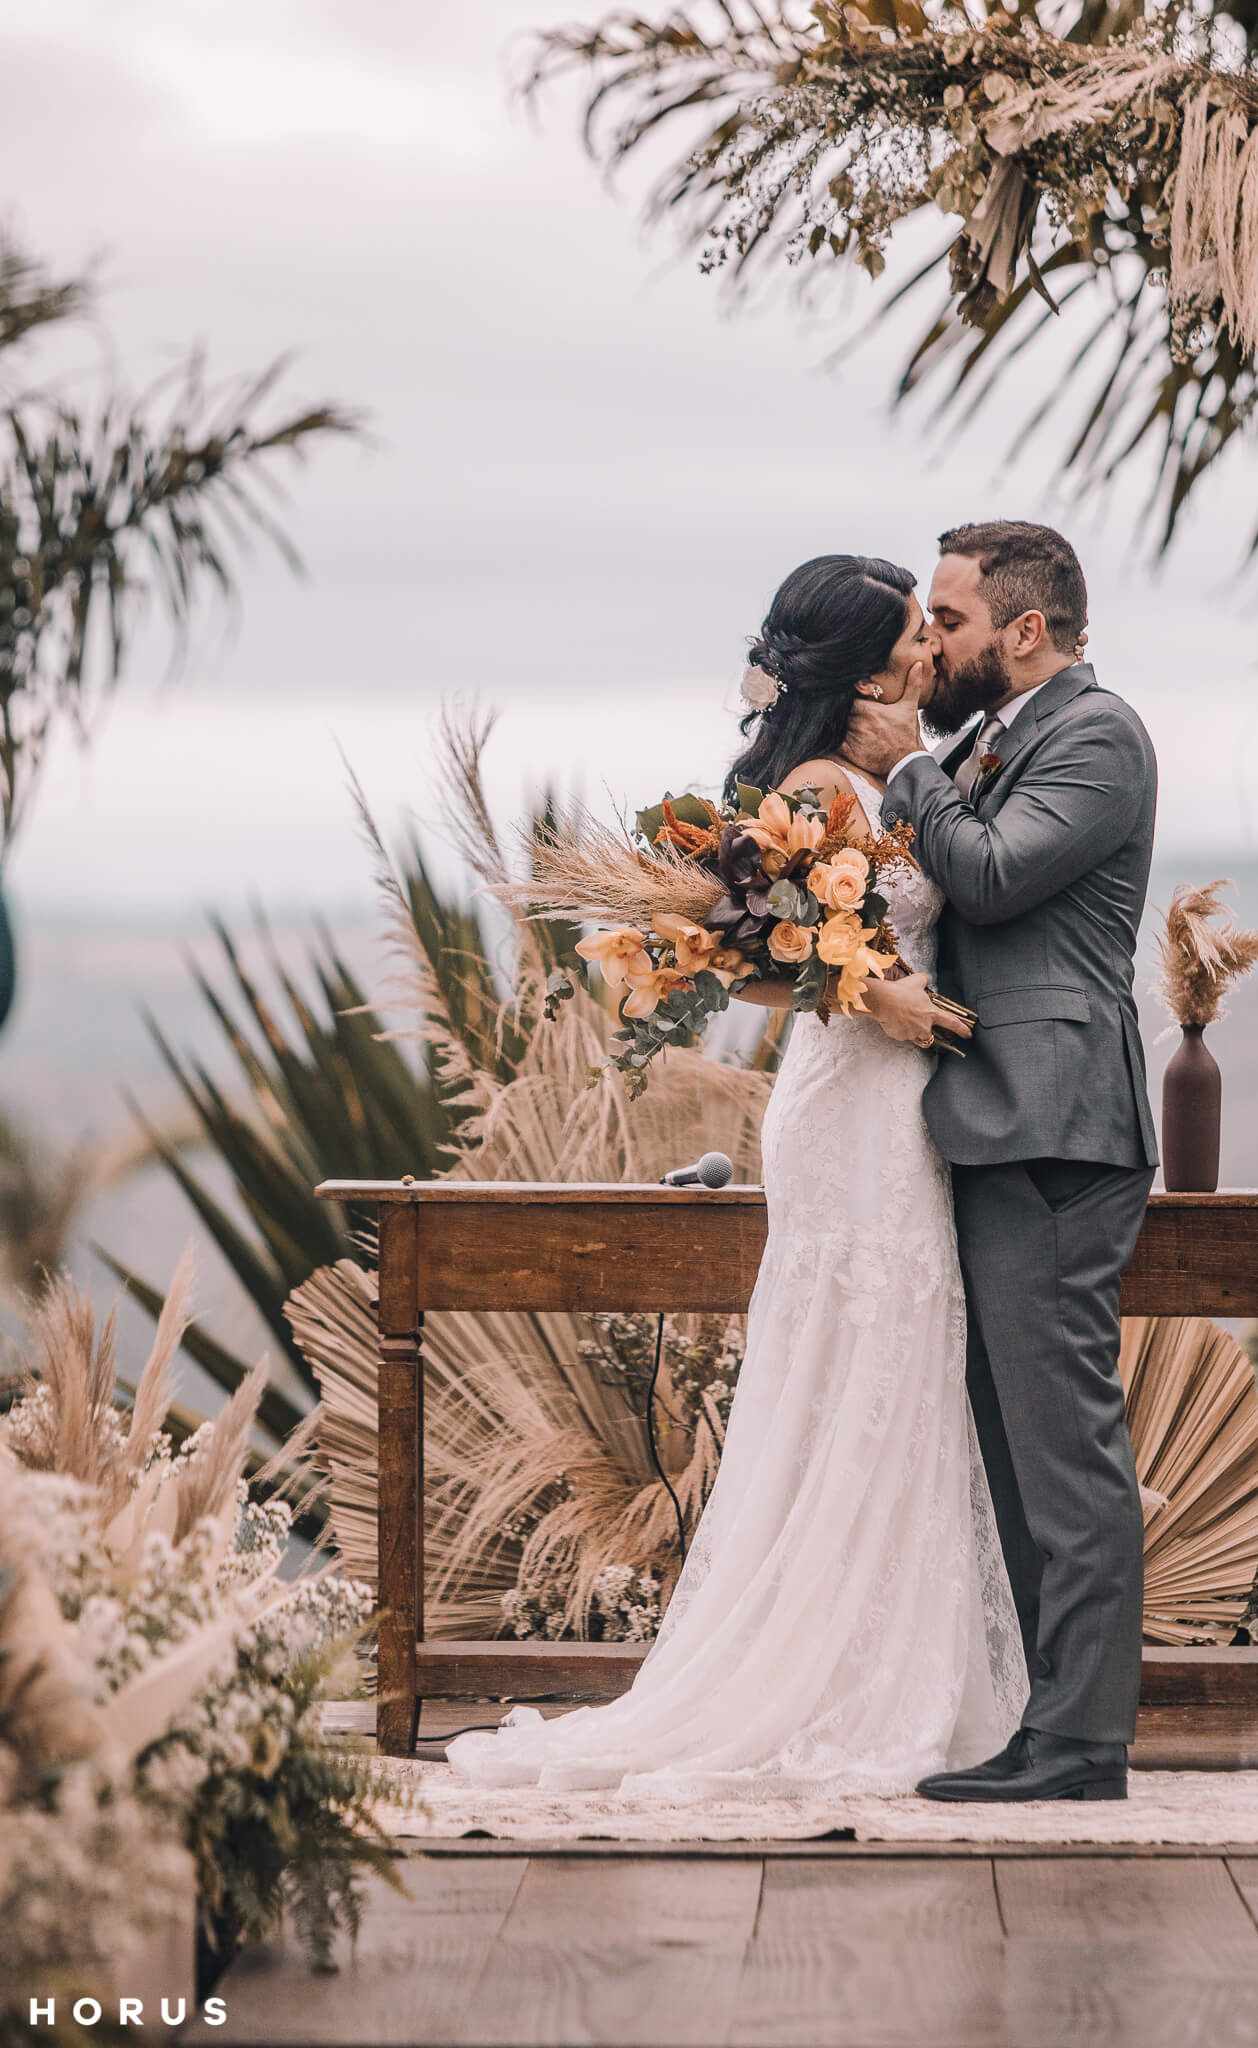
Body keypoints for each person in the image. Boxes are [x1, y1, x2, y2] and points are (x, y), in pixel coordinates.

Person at [444, 553, 1031, 1799]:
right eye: (916, 639)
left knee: (872, 1367)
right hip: (861, 1110)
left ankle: (868, 1655)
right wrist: (884, 994)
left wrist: (864, 980)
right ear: (870, 670)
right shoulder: (826, 785)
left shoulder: (854, 777)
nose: (935, 649)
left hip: (873, 1100)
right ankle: (836, 1677)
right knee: (869, 1359)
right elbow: (788, 956)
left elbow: (760, 956)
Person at [845, 520, 1158, 1803]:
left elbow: (988, 877)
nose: (936, 641)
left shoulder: (1099, 737)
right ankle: (1046, 1720)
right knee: (1013, 1440)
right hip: (989, 1122)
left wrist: (906, 771)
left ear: (1027, 632)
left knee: (1063, 1442)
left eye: (952, 620)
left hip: (1056, 1124)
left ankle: (1084, 1742)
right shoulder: (994, 740)